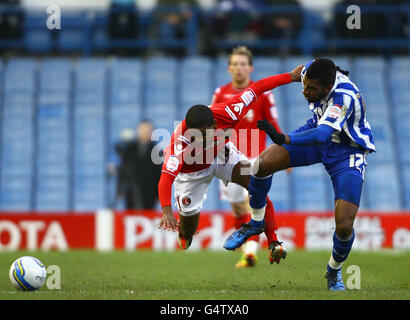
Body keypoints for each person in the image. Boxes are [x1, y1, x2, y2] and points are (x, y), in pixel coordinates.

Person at [224, 58, 375, 291]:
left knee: (344, 225)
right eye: (304, 85)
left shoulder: (344, 97)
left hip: (346, 150)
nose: (305, 91)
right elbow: (292, 77)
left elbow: (324, 135)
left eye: (311, 89)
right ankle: (255, 223)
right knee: (260, 166)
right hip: (316, 132)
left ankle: (333, 270)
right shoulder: (311, 71)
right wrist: (289, 77)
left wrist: (285, 138)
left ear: (327, 88)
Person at [158, 66, 303, 264]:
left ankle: (274, 243)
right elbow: (165, 180)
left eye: (202, 134)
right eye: (194, 135)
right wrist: (167, 210)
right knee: (188, 228)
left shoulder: (230, 111)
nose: (197, 139)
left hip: (221, 156)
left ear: (214, 126)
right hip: (191, 174)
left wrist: (291, 77)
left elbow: (258, 87)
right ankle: (185, 233)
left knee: (255, 184)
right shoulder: (177, 146)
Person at [210, 46, 284, 268]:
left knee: (254, 199)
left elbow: (273, 125)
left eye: (243, 64)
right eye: (235, 64)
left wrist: (283, 149)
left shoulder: (261, 94)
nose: (239, 68)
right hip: (229, 160)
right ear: (229, 68)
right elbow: (212, 124)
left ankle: (263, 246)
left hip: (254, 157)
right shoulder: (220, 93)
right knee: (238, 208)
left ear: (250, 68)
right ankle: (250, 251)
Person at [115, 120, 161, 209]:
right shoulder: (129, 148)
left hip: (149, 193)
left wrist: (159, 194)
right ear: (138, 130)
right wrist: (120, 189)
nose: (145, 132)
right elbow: (122, 169)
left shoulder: (155, 151)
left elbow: (158, 173)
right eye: (143, 129)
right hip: (132, 192)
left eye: (148, 130)